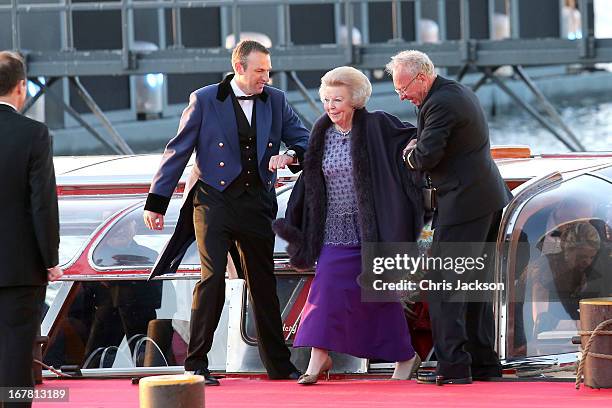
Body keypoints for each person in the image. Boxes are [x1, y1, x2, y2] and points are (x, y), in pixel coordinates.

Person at [143, 40, 309, 385]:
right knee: (212, 277)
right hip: (214, 200)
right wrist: (156, 202)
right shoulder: (204, 99)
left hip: (257, 202)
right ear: (240, 68)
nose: (267, 76)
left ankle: (279, 365)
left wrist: (290, 154)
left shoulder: (275, 100)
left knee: (263, 283)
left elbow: (305, 139)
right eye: (261, 70)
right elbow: (178, 150)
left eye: (268, 69)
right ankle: (196, 364)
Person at [273, 66, 424, 384]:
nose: (330, 106)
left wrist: (409, 161)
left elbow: (414, 138)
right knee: (324, 291)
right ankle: (318, 357)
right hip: (332, 229)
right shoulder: (321, 130)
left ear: (355, 100)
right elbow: (310, 176)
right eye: (326, 99)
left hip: (371, 229)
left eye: (337, 99)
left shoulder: (377, 124)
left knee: (380, 299)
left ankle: (407, 357)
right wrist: (290, 159)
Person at [387, 50, 513, 384]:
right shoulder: (456, 92)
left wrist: (408, 154)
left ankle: (454, 367)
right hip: (485, 199)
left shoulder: (440, 103)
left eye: (403, 87)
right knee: (474, 289)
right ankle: (483, 365)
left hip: (463, 204)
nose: (400, 95)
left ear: (422, 77)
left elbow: (427, 156)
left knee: (445, 287)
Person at [0, 51, 62, 407]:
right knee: (16, 351)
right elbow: (42, 203)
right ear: (21, 87)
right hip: (20, 266)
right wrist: (50, 258)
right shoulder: (34, 134)